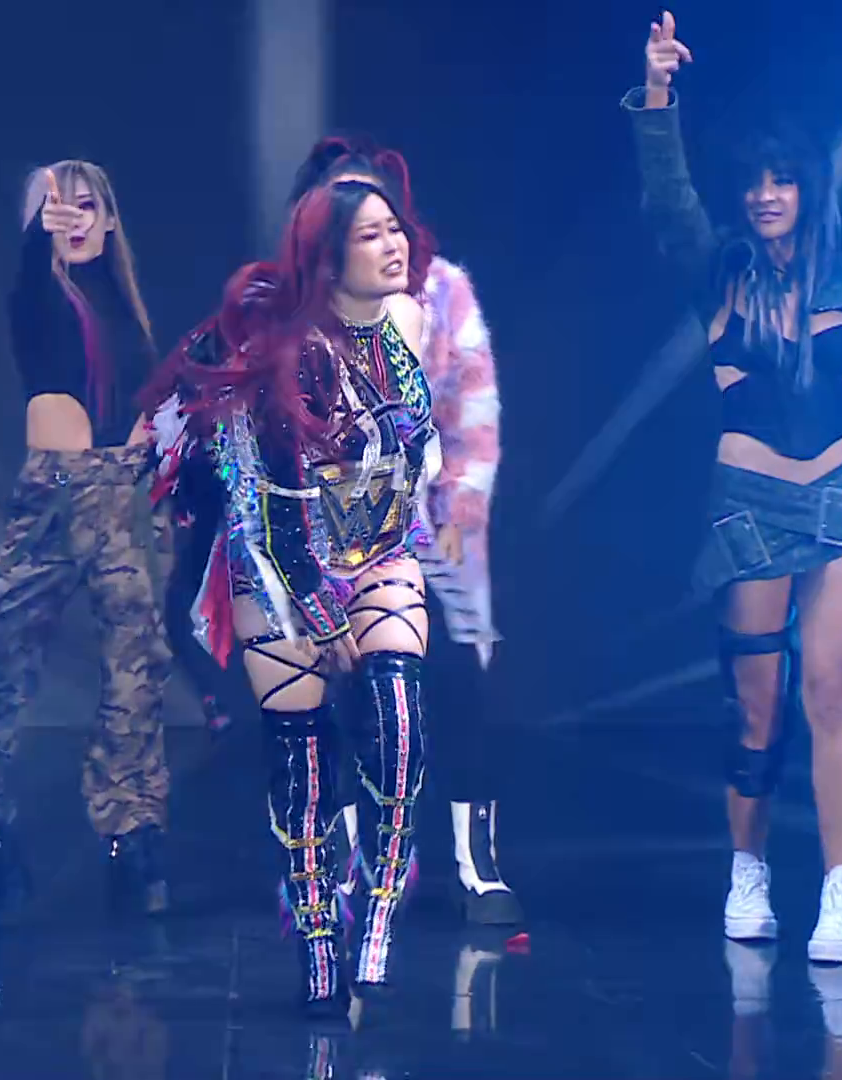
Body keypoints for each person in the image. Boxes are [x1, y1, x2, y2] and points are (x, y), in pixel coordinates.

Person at [627, 11, 842, 964]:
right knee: (758, 707)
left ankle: (841, 892)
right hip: (747, 509)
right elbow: (669, 202)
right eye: (752, 182)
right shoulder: (719, 275)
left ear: (810, 186)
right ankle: (747, 870)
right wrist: (658, 93)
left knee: (831, 693)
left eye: (781, 180)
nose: (763, 196)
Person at [144, 174, 440, 1014]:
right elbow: (265, 500)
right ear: (329, 257)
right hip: (280, 567)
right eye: (371, 235)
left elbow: (414, 448)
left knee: (400, 727)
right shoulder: (289, 351)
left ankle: (381, 904)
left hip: (379, 549)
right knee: (302, 766)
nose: (394, 245)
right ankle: (316, 937)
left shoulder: (408, 321)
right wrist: (313, 608)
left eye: (395, 228)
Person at [281, 137, 519, 925]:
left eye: (386, 219)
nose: (380, 235)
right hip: (325, 539)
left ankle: (476, 863)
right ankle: (358, 864)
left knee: (455, 681)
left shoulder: (435, 293)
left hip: (417, 534)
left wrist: (460, 509)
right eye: (356, 219)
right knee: (342, 692)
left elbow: (471, 410)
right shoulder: (293, 316)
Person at [0, 160, 173, 925]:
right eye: (54, 205)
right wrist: (37, 240)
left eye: (86, 204)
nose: (71, 215)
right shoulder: (38, 296)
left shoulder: (126, 311)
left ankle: (133, 840)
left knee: (134, 670)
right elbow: (30, 288)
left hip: (126, 497)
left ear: (109, 220)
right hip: (54, 495)